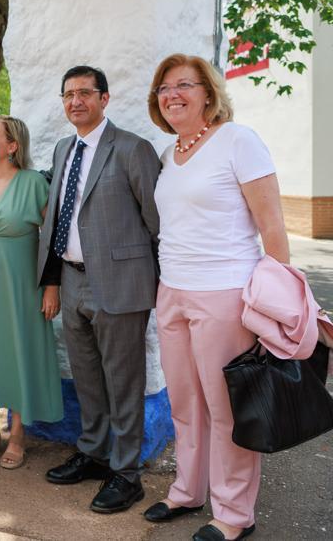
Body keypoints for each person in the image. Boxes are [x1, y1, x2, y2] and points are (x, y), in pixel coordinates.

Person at [142, 54, 289, 541]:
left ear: (209, 92)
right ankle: (188, 490)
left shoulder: (238, 141)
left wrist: (281, 300)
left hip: (225, 293)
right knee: (185, 401)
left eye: (184, 84)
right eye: (164, 88)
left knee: (227, 408)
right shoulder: (171, 154)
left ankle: (233, 514)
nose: (172, 94)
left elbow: (272, 227)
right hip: (174, 291)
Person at [37, 66, 161, 514]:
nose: (75, 102)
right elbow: (59, 217)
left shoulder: (133, 149)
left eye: (85, 93)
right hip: (73, 281)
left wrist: (159, 287)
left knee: (123, 382)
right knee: (86, 376)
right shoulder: (62, 149)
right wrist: (52, 278)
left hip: (122, 285)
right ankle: (94, 453)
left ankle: (127, 474)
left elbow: (156, 223)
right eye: (68, 94)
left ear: (105, 99)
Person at [0, 116, 63, 469]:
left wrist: (52, 285)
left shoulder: (33, 183)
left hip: (20, 285)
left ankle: (17, 433)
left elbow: (53, 240)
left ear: (13, 146)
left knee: (19, 351)